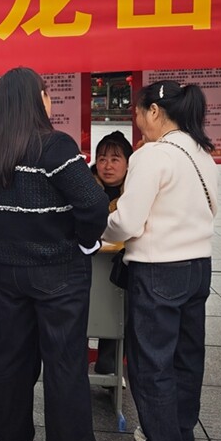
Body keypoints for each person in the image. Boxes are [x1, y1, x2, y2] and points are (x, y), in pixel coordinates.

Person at [0, 67, 109, 441]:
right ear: (39, 99)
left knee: (10, 357)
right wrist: (86, 242)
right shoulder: (55, 146)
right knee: (64, 363)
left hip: (6, 272)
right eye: (47, 94)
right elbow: (94, 204)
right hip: (58, 273)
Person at [104, 80, 219, 441]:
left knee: (151, 363)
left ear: (154, 111)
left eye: (138, 113)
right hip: (198, 266)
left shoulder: (152, 155)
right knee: (186, 358)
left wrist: (101, 228)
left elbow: (127, 221)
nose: (137, 121)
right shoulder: (202, 153)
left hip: (157, 269)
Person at [89, 130, 133, 377]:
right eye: (102, 159)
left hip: (121, 264)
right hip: (88, 261)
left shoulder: (136, 191)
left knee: (120, 307)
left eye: (115, 159)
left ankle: (108, 365)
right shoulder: (85, 187)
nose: (107, 166)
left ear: (128, 163)